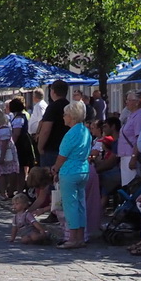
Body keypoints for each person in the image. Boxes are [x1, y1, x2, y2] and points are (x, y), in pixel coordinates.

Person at [54, 100, 92, 249]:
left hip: (69, 171)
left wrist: (55, 169)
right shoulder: (85, 130)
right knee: (80, 205)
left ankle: (73, 238)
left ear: (71, 116)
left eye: (65, 114)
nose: (63, 117)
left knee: (70, 206)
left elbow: (62, 156)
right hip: (83, 169)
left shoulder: (71, 133)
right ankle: (81, 237)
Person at [30, 79, 71, 169]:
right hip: (67, 148)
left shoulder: (52, 107)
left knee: (47, 178)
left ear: (53, 91)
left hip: (52, 149)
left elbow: (46, 130)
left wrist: (40, 147)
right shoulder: (69, 106)